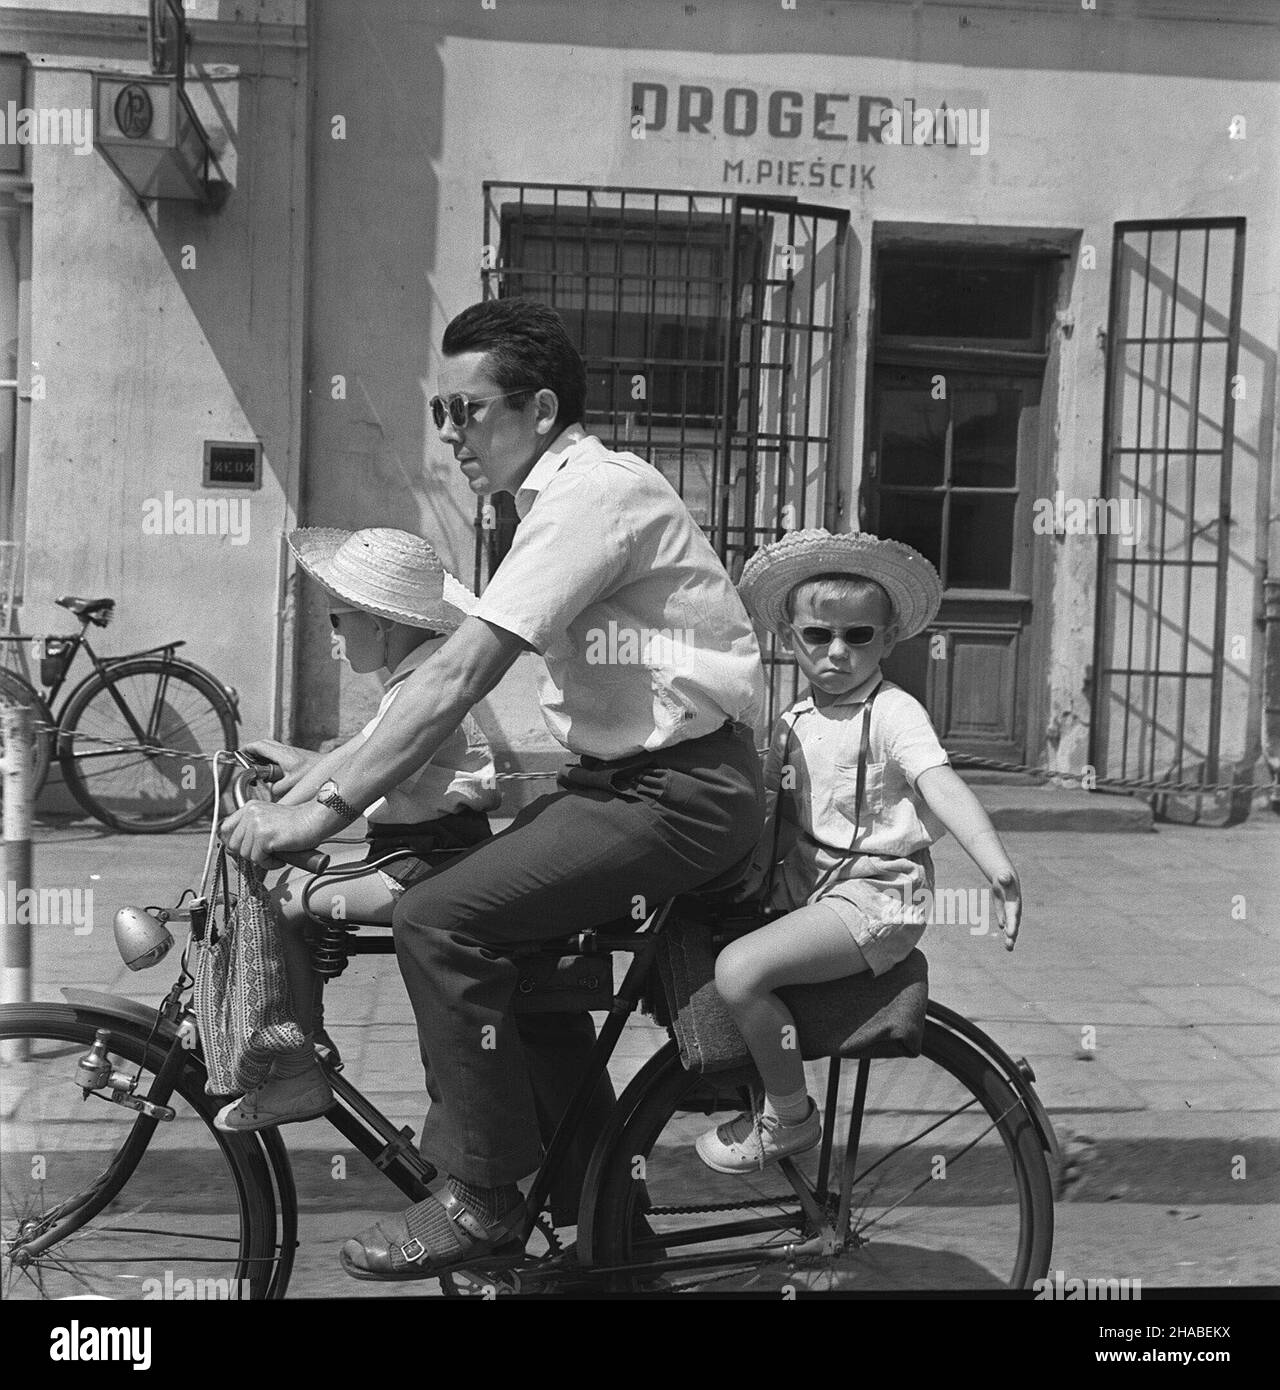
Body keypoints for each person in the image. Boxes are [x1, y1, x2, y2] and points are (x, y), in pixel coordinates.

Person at [219, 298, 766, 1279]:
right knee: (538, 988)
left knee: (439, 917)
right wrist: (320, 771)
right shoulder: (555, 501)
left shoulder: (589, 497)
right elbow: (416, 697)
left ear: (539, 407)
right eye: (441, 412)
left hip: (679, 795)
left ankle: (480, 1194)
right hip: (632, 783)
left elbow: (454, 674)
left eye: (463, 411)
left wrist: (320, 810)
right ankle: (613, 1230)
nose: (451, 434)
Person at [693, 528, 1022, 1174]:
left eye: (859, 636)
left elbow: (942, 786)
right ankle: (740, 1079)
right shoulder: (791, 724)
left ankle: (788, 1116)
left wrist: (997, 865)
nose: (838, 652)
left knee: (739, 971)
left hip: (880, 896)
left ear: (888, 639)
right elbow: (767, 820)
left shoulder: (896, 713)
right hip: (815, 888)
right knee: (703, 939)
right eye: (819, 635)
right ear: (791, 639)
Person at [214, 527, 499, 1133]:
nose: (335, 639)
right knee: (288, 889)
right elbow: (358, 758)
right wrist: (295, 771)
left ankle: (300, 1063)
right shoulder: (416, 678)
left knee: (281, 901)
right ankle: (303, 1047)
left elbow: (360, 779)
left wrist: (296, 806)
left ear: (380, 623)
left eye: (340, 622)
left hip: (421, 865)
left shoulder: (422, 690)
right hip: (420, 853)